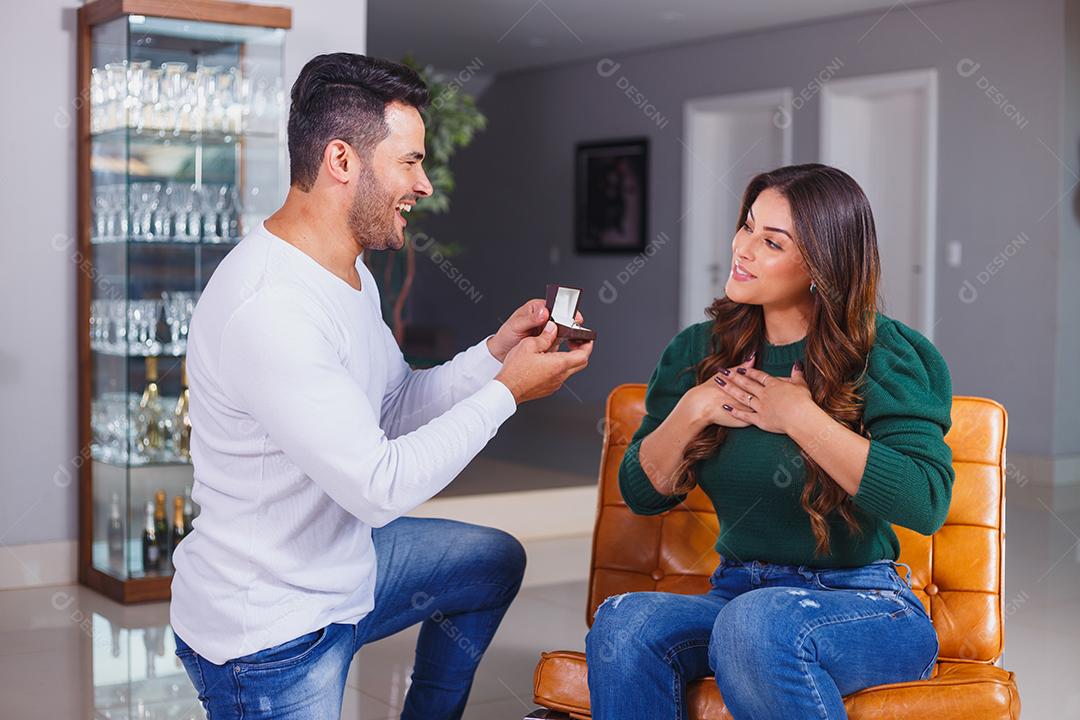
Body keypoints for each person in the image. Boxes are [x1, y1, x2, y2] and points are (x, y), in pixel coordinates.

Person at [170, 53, 593, 720]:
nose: (423, 184)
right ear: (343, 161)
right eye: (411, 161)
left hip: (343, 569)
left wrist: (495, 355)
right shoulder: (272, 307)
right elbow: (380, 486)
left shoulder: (350, 273)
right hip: (272, 629)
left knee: (489, 562)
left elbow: (393, 406)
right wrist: (507, 393)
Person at [586, 164, 952, 719]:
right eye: (747, 226)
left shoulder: (886, 354)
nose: (744, 248)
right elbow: (643, 494)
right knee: (625, 623)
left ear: (820, 267)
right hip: (738, 593)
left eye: (771, 241)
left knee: (756, 624)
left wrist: (800, 417)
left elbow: (925, 503)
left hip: (864, 604)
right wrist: (692, 410)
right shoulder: (697, 351)